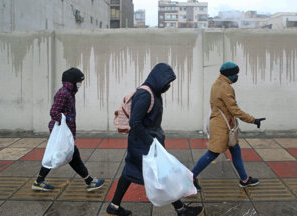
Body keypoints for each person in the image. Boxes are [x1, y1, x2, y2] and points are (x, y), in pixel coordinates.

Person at [106, 63, 204, 216]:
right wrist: (152, 143)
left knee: (130, 173)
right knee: (163, 175)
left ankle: (114, 207)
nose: (169, 86)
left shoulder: (154, 92)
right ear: (158, 79)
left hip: (143, 143)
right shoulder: (145, 95)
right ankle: (181, 210)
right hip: (144, 145)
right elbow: (135, 123)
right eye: (167, 82)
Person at [192, 62, 266, 190]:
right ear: (229, 75)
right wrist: (253, 120)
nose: (237, 76)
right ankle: (191, 177)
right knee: (212, 153)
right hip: (222, 127)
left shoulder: (216, 83)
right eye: (235, 74)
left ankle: (244, 179)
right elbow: (235, 110)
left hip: (223, 124)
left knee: (236, 151)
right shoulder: (225, 88)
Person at [32, 67, 105, 192]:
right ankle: (89, 181)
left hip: (65, 132)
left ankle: (39, 181)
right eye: (78, 82)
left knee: (59, 156)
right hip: (62, 132)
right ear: (71, 82)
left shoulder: (69, 93)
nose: (80, 85)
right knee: (72, 155)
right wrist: (66, 121)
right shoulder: (63, 93)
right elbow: (54, 112)